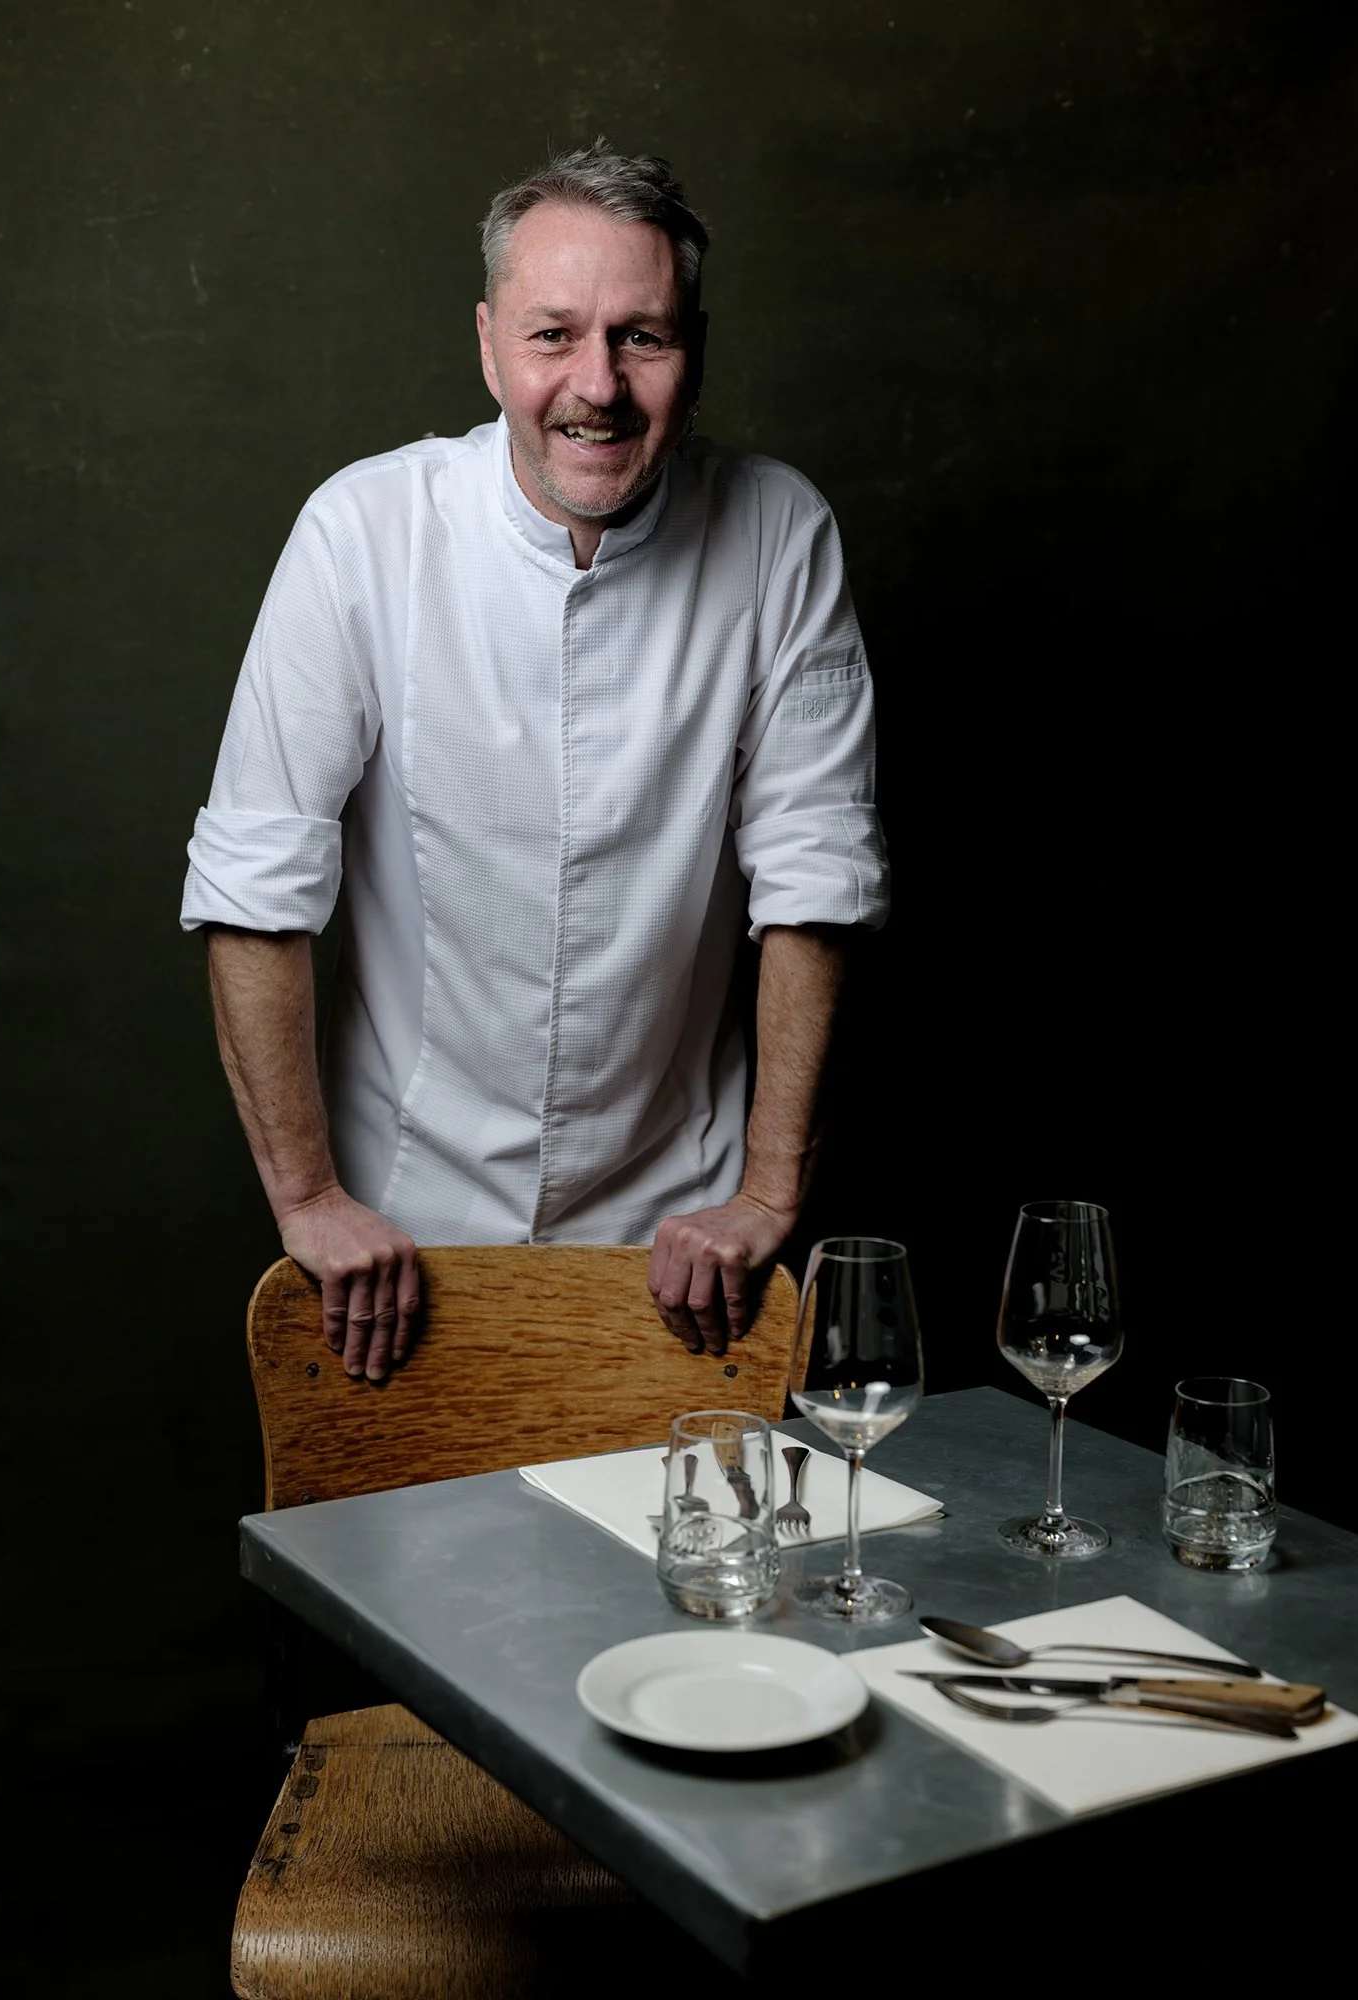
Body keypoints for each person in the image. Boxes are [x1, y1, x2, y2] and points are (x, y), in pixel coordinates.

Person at [181, 141, 888, 1384]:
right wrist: (308, 1202)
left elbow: (814, 881)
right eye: (554, 334)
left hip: (679, 1247)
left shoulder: (782, 532)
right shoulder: (363, 530)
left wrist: (768, 1194)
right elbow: (254, 885)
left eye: (642, 337)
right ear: (489, 344)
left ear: (697, 349)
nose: (597, 385)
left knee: (675, 1581)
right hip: (397, 1240)